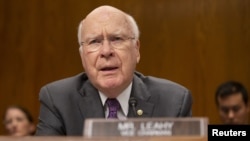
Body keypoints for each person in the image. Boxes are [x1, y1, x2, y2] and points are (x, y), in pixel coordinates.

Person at [35, 5, 192, 136]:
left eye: (116, 39)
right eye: (95, 42)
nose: (106, 51)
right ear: (83, 56)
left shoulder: (173, 101)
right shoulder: (57, 100)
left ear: (136, 50)